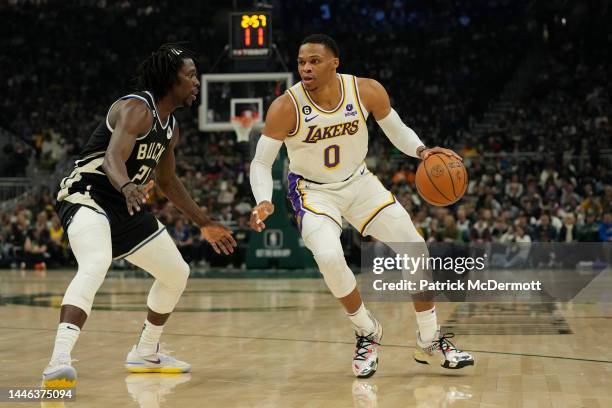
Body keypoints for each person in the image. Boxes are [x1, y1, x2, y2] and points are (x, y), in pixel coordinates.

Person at [249, 34, 473, 378]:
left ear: (334, 63)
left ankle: (429, 341)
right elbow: (261, 162)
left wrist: (422, 151)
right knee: (328, 257)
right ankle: (367, 331)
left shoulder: (365, 90)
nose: (305, 68)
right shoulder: (286, 107)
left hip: (359, 181)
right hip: (313, 191)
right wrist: (263, 199)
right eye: (301, 62)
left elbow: (395, 128)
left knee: (414, 246)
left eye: (314, 61)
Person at [42, 44, 237, 388]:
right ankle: (58, 360)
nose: (196, 81)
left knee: (176, 272)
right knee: (96, 262)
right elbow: (111, 159)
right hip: (89, 194)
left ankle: (146, 352)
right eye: (190, 75)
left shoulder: (170, 127)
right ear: (169, 79)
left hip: (126, 204)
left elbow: (166, 181)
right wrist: (128, 185)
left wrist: (204, 222)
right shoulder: (137, 108)